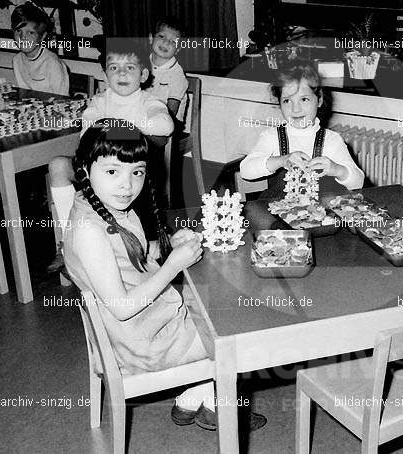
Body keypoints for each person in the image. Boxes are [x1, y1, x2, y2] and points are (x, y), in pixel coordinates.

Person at [63, 119, 266, 430]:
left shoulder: (104, 207)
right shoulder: (89, 230)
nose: (127, 185)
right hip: (146, 341)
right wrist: (173, 265)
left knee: (218, 297)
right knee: (239, 325)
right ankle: (215, 404)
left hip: (148, 325)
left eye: (137, 172)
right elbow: (122, 306)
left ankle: (191, 396)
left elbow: (134, 253)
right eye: (112, 171)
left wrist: (170, 245)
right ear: (86, 170)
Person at [47, 37, 174, 273]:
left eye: (130, 68)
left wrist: (120, 124)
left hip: (130, 178)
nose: (122, 74)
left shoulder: (149, 101)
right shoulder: (99, 101)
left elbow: (165, 126)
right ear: (106, 74)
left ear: (144, 75)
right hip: (99, 175)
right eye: (114, 68)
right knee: (57, 165)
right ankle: (68, 238)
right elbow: (87, 133)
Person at [239, 63, 364, 199]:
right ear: (279, 104)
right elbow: (246, 170)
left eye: (304, 99)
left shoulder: (331, 140)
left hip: (320, 212)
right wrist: (282, 160)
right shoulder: (272, 136)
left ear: (319, 100)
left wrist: (336, 169)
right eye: (287, 101)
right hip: (279, 210)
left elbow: (358, 182)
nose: (296, 109)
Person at [11, 1, 69, 96]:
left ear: (42, 36)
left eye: (30, 32)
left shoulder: (52, 63)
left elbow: (62, 100)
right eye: (18, 31)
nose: (23, 37)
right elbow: (23, 95)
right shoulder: (17, 61)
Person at [147, 17, 189, 121]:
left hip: (169, 122)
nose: (166, 43)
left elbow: (171, 112)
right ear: (151, 38)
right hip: (143, 117)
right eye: (162, 36)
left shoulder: (177, 75)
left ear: (177, 49)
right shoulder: (140, 65)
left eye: (173, 42)